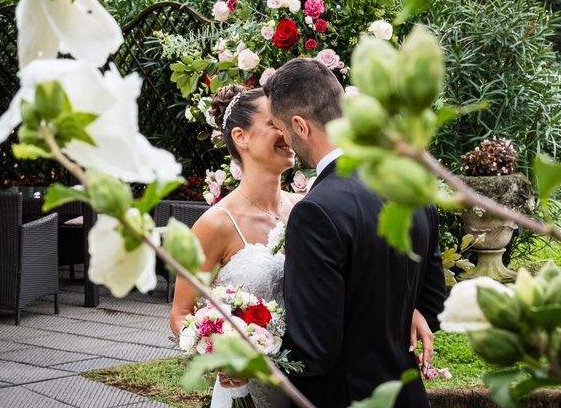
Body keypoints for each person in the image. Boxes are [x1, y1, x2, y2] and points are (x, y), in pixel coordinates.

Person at [263, 58, 447, 408]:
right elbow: (433, 304)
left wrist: (252, 352)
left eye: (281, 127)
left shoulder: (316, 211)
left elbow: (314, 349)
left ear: (300, 125)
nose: (283, 138)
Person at [170, 85, 300, 407]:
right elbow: (180, 314)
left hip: (309, 382)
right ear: (241, 137)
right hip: (247, 392)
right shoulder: (216, 224)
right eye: (274, 123)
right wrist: (224, 356)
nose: (288, 130)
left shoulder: (305, 209)